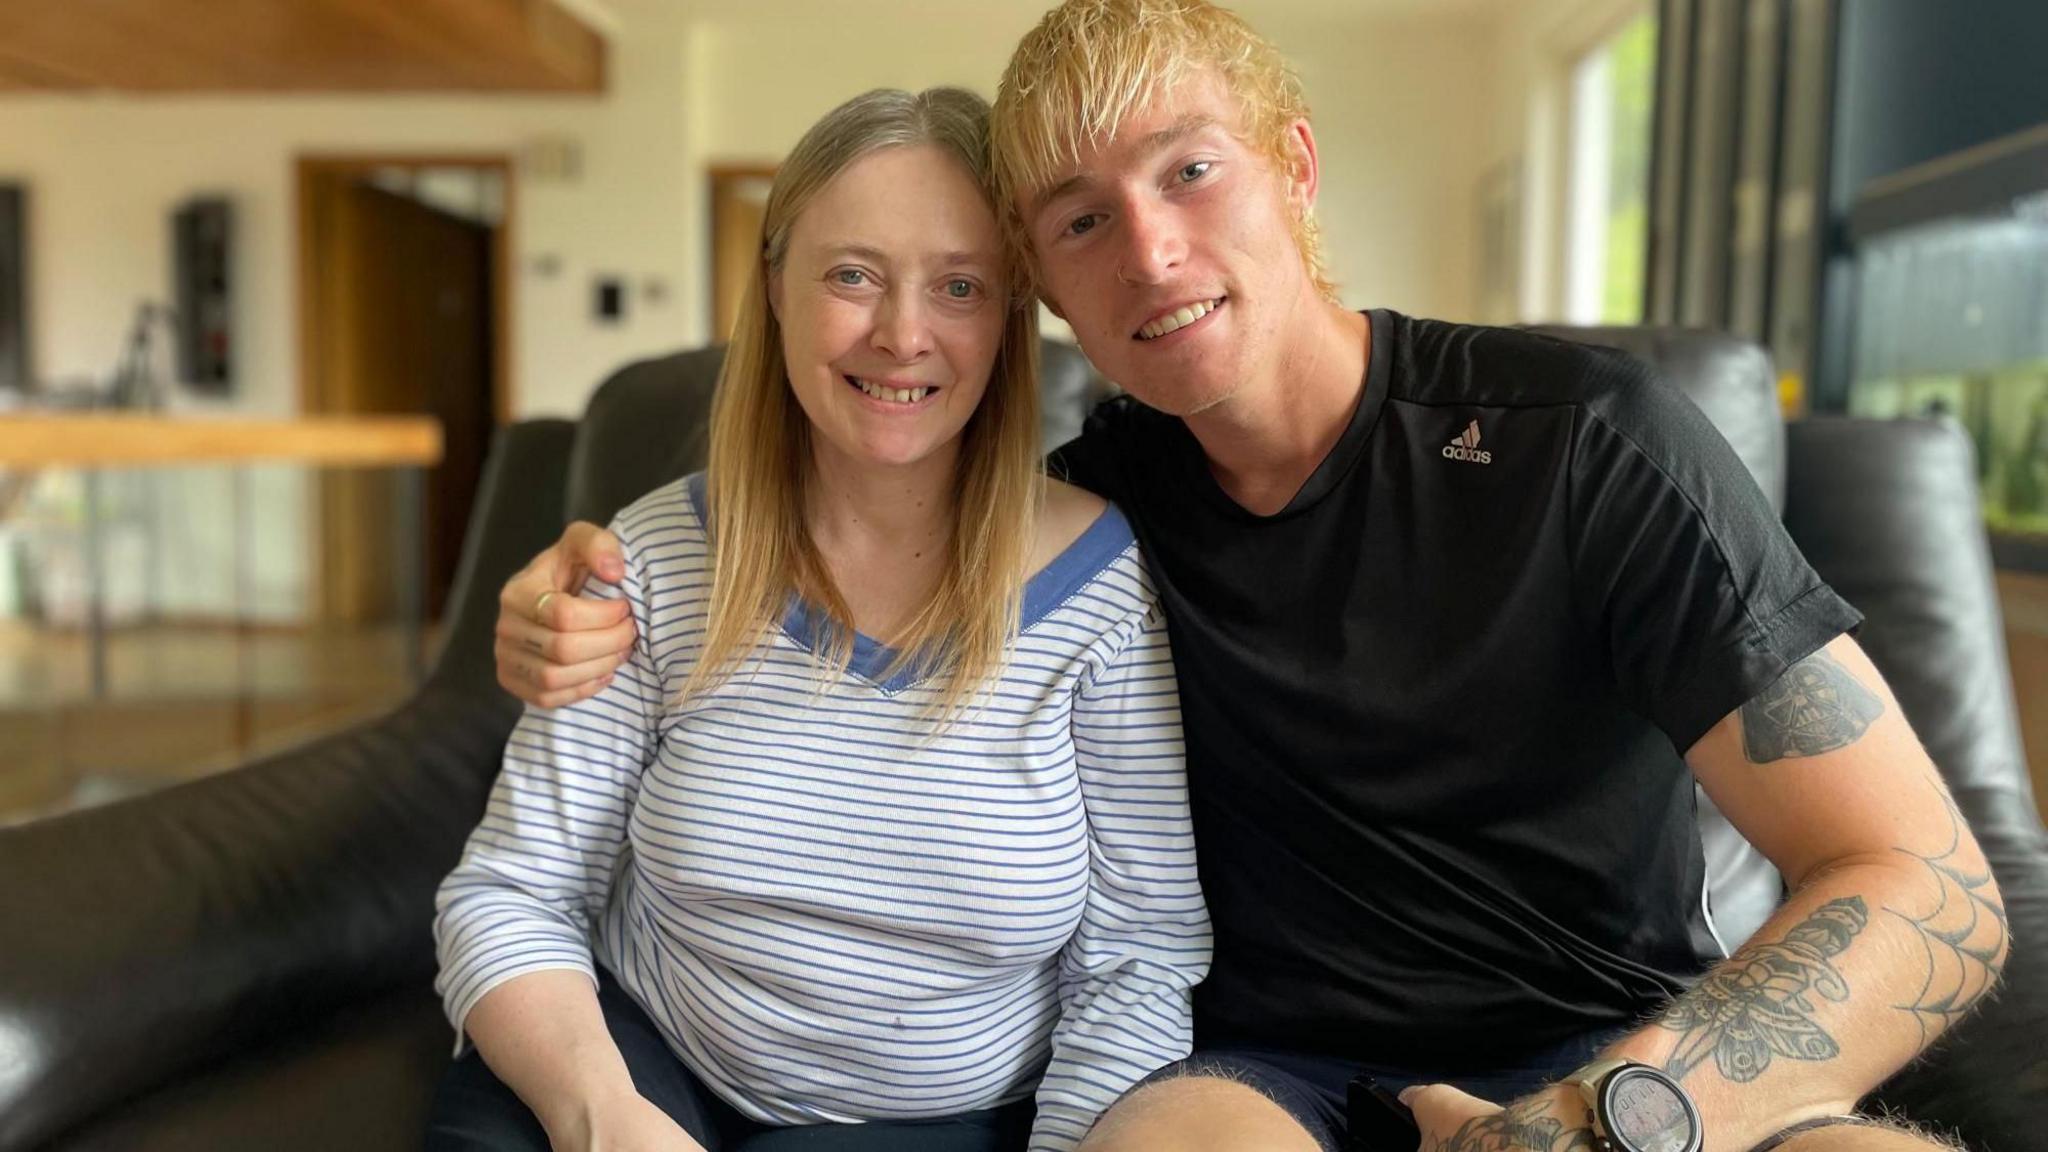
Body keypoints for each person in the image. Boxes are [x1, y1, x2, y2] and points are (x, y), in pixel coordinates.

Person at [497, 4, 2009, 1152]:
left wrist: (1595, 1120)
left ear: (1292, 169)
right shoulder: (1091, 515)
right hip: (1266, 1083)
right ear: (1051, 288)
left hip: (1621, 1057)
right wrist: (583, 573)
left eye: (1190, 171)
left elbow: (1928, 883)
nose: (1149, 251)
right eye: (1081, 219)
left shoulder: (1592, 447)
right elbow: (840, 506)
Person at [430, 85, 1210, 1152]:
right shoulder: (652, 553)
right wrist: (603, 1118)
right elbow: (511, 889)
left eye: (959, 286)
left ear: (1008, 318)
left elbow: (1139, 954)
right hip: (633, 1067)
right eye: (851, 275)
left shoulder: (1099, 584)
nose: (901, 335)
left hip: (945, 1122)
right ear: (773, 287)